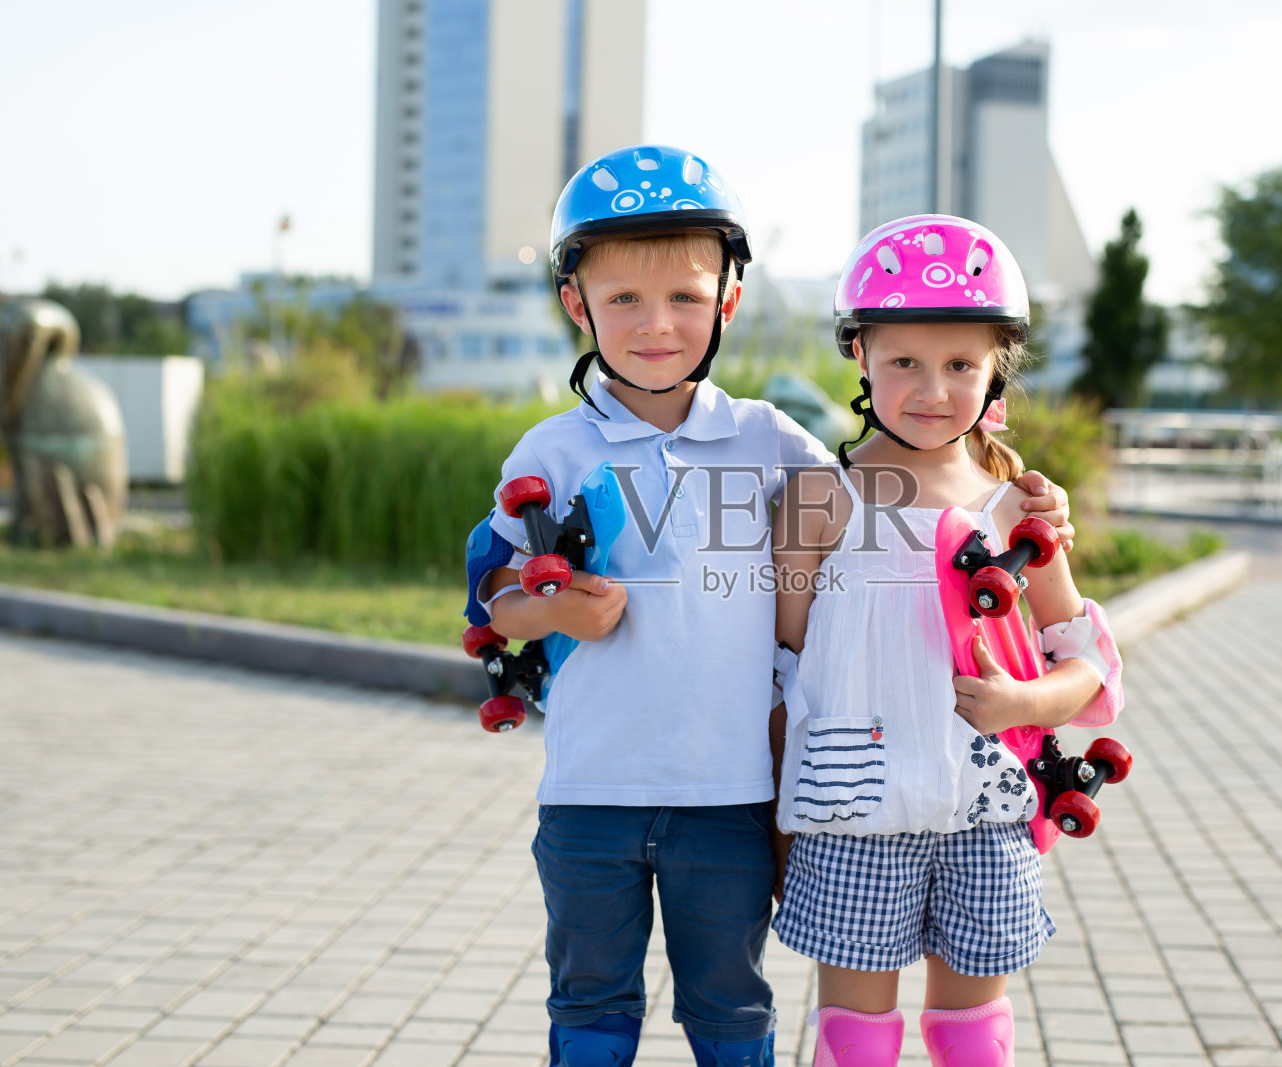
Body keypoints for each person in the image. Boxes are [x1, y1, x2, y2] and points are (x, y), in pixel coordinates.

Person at [466, 150, 1077, 1067]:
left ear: (728, 303)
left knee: (731, 1005)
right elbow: (494, 602)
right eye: (623, 298)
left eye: (682, 296)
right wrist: (552, 614)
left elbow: (900, 495)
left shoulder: (770, 442)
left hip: (734, 793)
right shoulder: (554, 448)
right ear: (575, 303)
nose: (655, 324)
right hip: (592, 790)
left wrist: (1025, 498)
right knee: (589, 998)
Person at [769, 214, 1125, 1067]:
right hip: (852, 811)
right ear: (860, 354)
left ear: (997, 363)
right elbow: (783, 677)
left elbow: (1088, 665)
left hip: (988, 813)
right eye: (905, 363)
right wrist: (774, 828)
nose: (933, 388)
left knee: (976, 1036)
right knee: (853, 1038)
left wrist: (1020, 702)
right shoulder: (822, 500)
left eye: (961, 364)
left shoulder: (1020, 506)